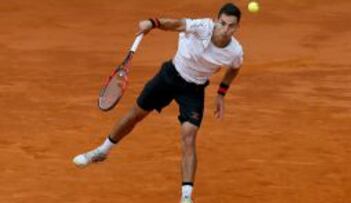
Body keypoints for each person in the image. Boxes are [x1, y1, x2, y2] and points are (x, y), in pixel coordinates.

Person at [73, 3, 243, 203]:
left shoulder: (235, 51)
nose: (225, 29)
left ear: (237, 27)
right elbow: (176, 24)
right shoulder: (202, 27)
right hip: (170, 76)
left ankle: (186, 197)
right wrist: (153, 23)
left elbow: (234, 68)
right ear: (216, 21)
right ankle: (102, 151)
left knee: (189, 136)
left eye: (231, 26)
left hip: (194, 90)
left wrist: (221, 93)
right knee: (135, 115)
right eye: (222, 23)